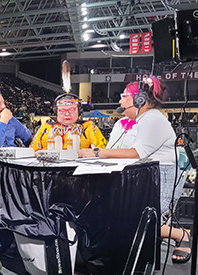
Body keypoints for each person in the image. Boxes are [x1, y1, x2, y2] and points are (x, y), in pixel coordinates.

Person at [78, 77, 191, 264]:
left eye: (124, 96)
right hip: (144, 177)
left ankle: (180, 234)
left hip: (160, 179)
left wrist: (97, 152)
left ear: (139, 100)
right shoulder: (137, 121)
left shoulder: (153, 119)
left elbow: (137, 153)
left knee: (133, 217)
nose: (120, 101)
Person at [31, 93, 106, 151]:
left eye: (71, 110)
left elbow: (102, 150)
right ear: (56, 112)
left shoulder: (89, 127)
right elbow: (32, 150)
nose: (67, 114)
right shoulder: (46, 127)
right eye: (62, 111)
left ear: (79, 111)